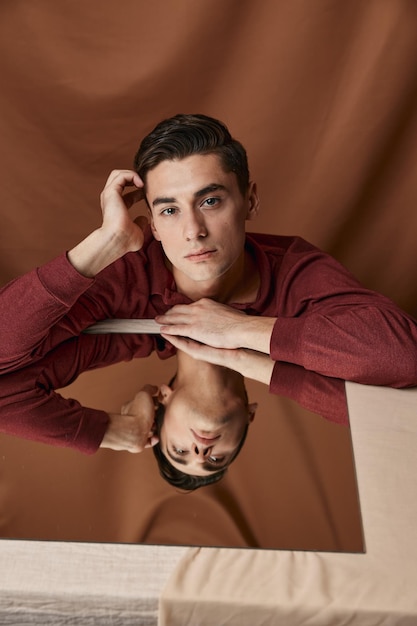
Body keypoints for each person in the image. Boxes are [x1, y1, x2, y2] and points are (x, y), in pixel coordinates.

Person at [1, 114, 416, 480]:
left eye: (210, 200)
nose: (193, 230)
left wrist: (242, 327)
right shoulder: (128, 273)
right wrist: (103, 245)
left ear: (249, 201)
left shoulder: (292, 270)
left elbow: (402, 357)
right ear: (152, 224)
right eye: (168, 211)